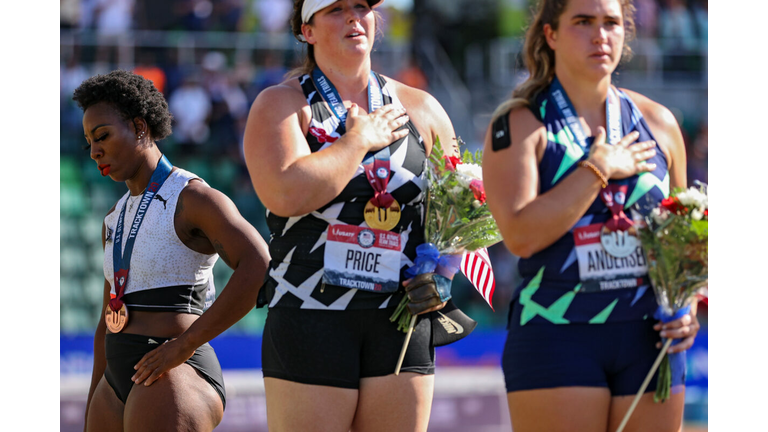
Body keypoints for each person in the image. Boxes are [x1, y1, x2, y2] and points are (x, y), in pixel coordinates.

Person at [241, 1, 463, 431]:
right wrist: (357, 141)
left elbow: (463, 207)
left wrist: (445, 269)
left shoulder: (421, 106)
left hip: (400, 317)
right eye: (336, 8)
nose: (353, 17)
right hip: (311, 311)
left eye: (361, 7)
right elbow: (284, 193)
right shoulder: (282, 104)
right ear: (307, 30)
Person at [482, 1, 700, 431]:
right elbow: (520, 237)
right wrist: (597, 169)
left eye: (611, 23)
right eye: (583, 22)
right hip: (558, 331)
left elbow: (683, 239)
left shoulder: (659, 122)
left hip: (650, 336)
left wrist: (688, 304)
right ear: (551, 34)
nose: (600, 35)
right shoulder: (522, 123)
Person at [74, 70, 270, 432]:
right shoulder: (113, 219)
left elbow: (258, 264)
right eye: (88, 142)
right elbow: (107, 319)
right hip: (113, 384)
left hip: (173, 370)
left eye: (102, 136)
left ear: (139, 127)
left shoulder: (192, 196)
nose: (94, 151)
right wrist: (92, 405)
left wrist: (184, 346)